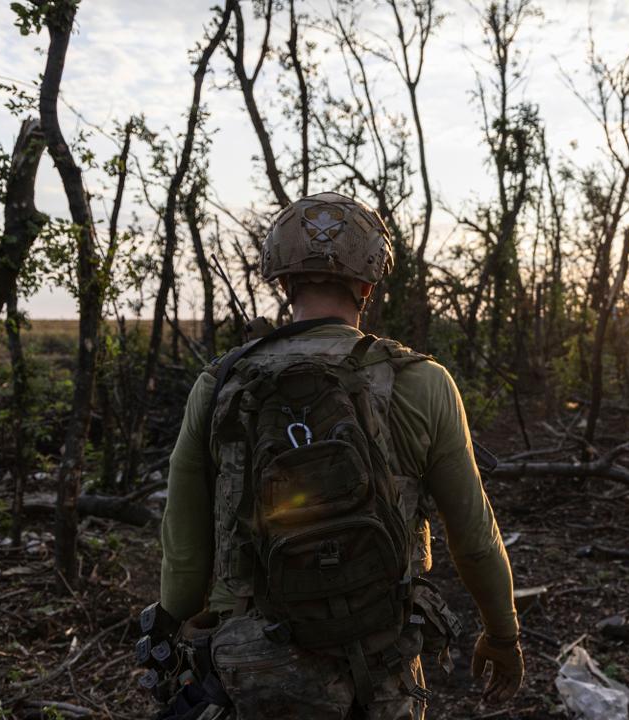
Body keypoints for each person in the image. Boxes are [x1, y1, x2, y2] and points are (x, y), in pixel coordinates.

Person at [158, 192, 523, 719]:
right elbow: (474, 538)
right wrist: (502, 634)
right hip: (378, 667)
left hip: (252, 668)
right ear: (368, 287)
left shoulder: (219, 385)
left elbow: (185, 550)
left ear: (283, 283)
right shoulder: (422, 382)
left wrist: (175, 632)